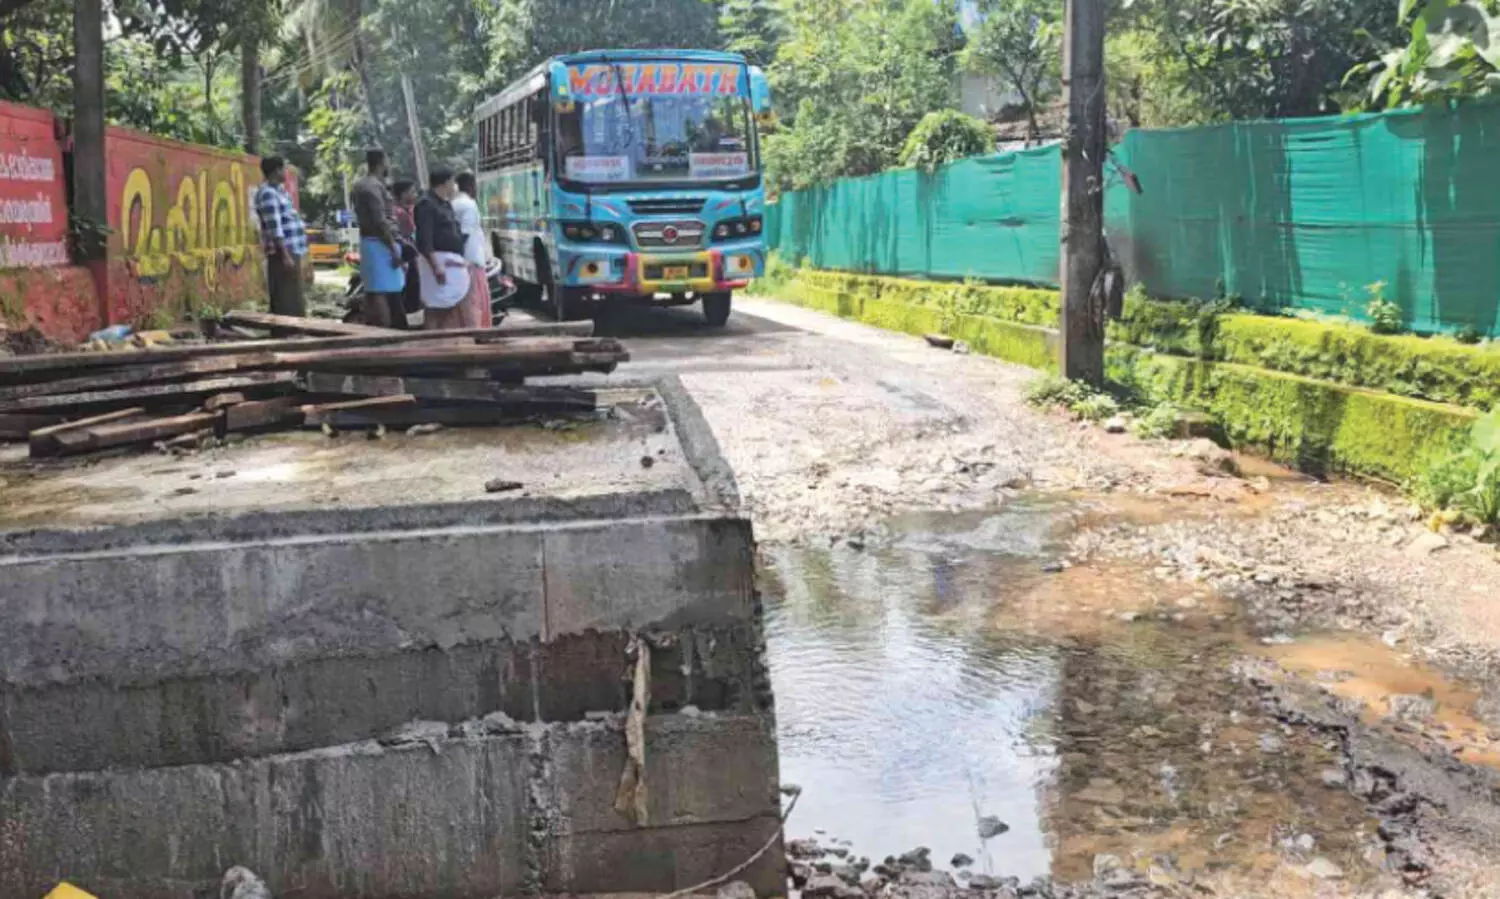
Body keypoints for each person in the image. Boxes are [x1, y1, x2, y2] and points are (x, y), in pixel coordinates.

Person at [350, 149, 406, 329]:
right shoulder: (371, 186)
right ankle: (383, 330)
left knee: (378, 290)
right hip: (380, 242)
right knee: (379, 292)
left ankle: (382, 329)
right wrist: (392, 248)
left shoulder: (363, 185)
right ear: (382, 162)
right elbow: (379, 220)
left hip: (374, 242)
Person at [414, 168, 475, 330]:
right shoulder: (426, 204)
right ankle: (430, 342)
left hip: (453, 262)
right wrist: (436, 266)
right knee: (435, 306)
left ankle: (447, 343)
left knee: (451, 306)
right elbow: (425, 239)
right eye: (453, 182)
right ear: (446, 182)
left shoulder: (446, 204)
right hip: (437, 262)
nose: (454, 186)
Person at [254, 156, 308, 317]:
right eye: (283, 168)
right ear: (276, 171)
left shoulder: (280, 192)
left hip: (292, 250)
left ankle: (295, 333)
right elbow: (275, 228)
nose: (286, 172)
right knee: (286, 298)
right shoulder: (268, 194)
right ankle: (287, 334)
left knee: (294, 295)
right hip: (283, 252)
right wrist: (285, 256)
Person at [452, 172, 494, 328]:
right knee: (474, 303)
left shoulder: (454, 203)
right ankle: (476, 332)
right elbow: (465, 234)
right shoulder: (469, 205)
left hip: (463, 261)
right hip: (471, 261)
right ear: (471, 186)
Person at [391, 179, 423, 321]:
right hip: (406, 256)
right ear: (403, 194)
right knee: (411, 289)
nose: (415, 195)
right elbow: (409, 232)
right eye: (412, 192)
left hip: (409, 253)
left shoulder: (406, 210)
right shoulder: (400, 213)